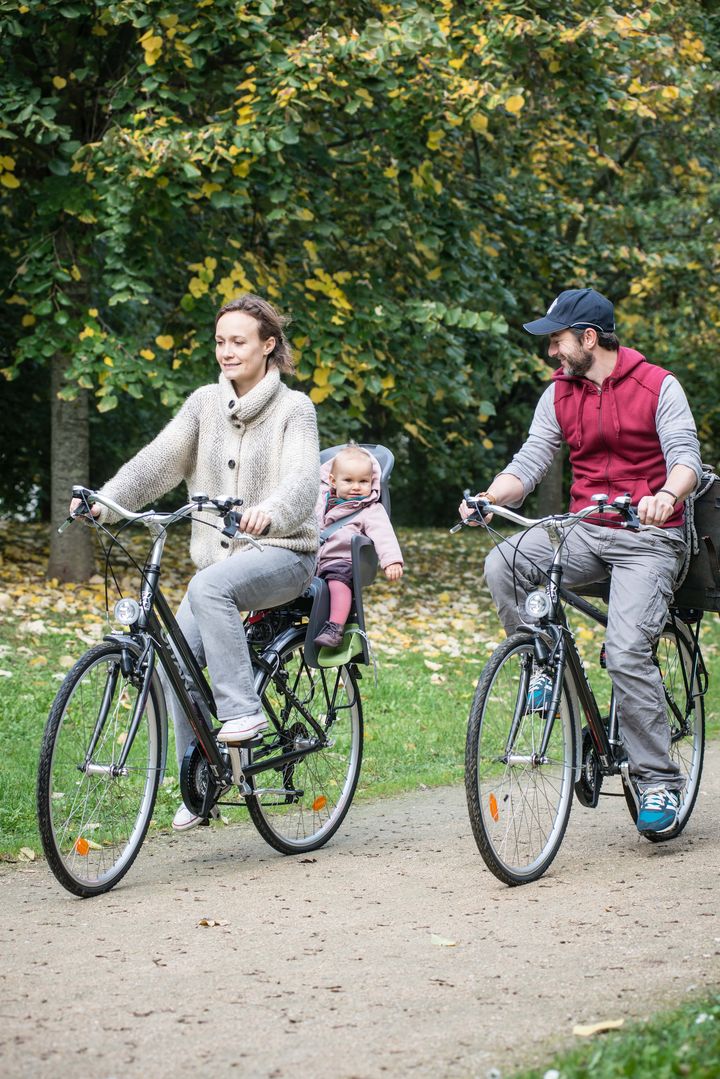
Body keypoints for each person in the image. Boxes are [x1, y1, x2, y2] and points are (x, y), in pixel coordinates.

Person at [70, 294, 320, 831]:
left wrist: (268, 513)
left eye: (239, 342)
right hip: (220, 569)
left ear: (268, 346)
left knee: (209, 591)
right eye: (220, 342)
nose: (226, 352)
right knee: (170, 665)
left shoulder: (293, 409)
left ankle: (241, 713)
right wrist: (105, 501)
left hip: (284, 554)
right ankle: (201, 779)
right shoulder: (205, 403)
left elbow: (302, 484)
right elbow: (158, 463)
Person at [460, 287, 702, 836]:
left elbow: (686, 457)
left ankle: (659, 778)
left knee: (623, 651)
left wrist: (667, 493)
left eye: (558, 341)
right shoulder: (559, 394)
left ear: (589, 338)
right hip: (586, 531)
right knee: (506, 563)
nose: (552, 353)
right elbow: (530, 462)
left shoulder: (658, 385)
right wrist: (490, 499)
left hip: (649, 538)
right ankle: (541, 665)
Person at [313, 444, 403, 648]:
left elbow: (384, 534)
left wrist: (392, 561)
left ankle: (335, 627)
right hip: (312, 558)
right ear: (332, 481)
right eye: (349, 480)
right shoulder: (319, 499)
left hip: (342, 560)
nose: (356, 487)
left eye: (363, 481)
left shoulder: (371, 510)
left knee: (338, 582)